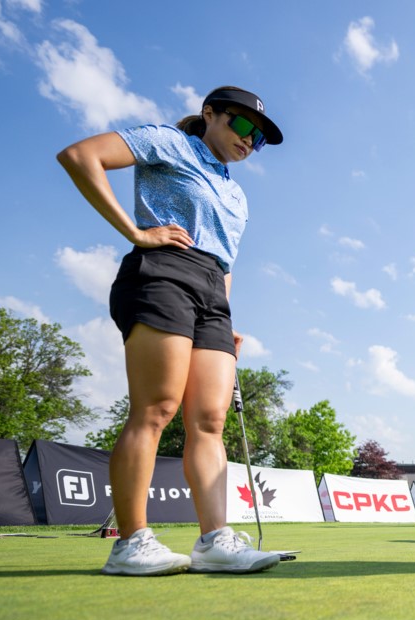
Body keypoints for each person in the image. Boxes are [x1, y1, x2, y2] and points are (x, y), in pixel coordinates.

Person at [58, 86, 285, 576]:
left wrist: (227, 314)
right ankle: (131, 542)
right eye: (242, 125)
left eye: (259, 137)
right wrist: (137, 233)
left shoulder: (236, 194)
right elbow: (80, 156)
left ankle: (214, 542)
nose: (250, 140)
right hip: (161, 273)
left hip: (212, 297)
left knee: (209, 421)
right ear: (210, 114)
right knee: (156, 409)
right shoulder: (171, 142)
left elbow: (224, 260)